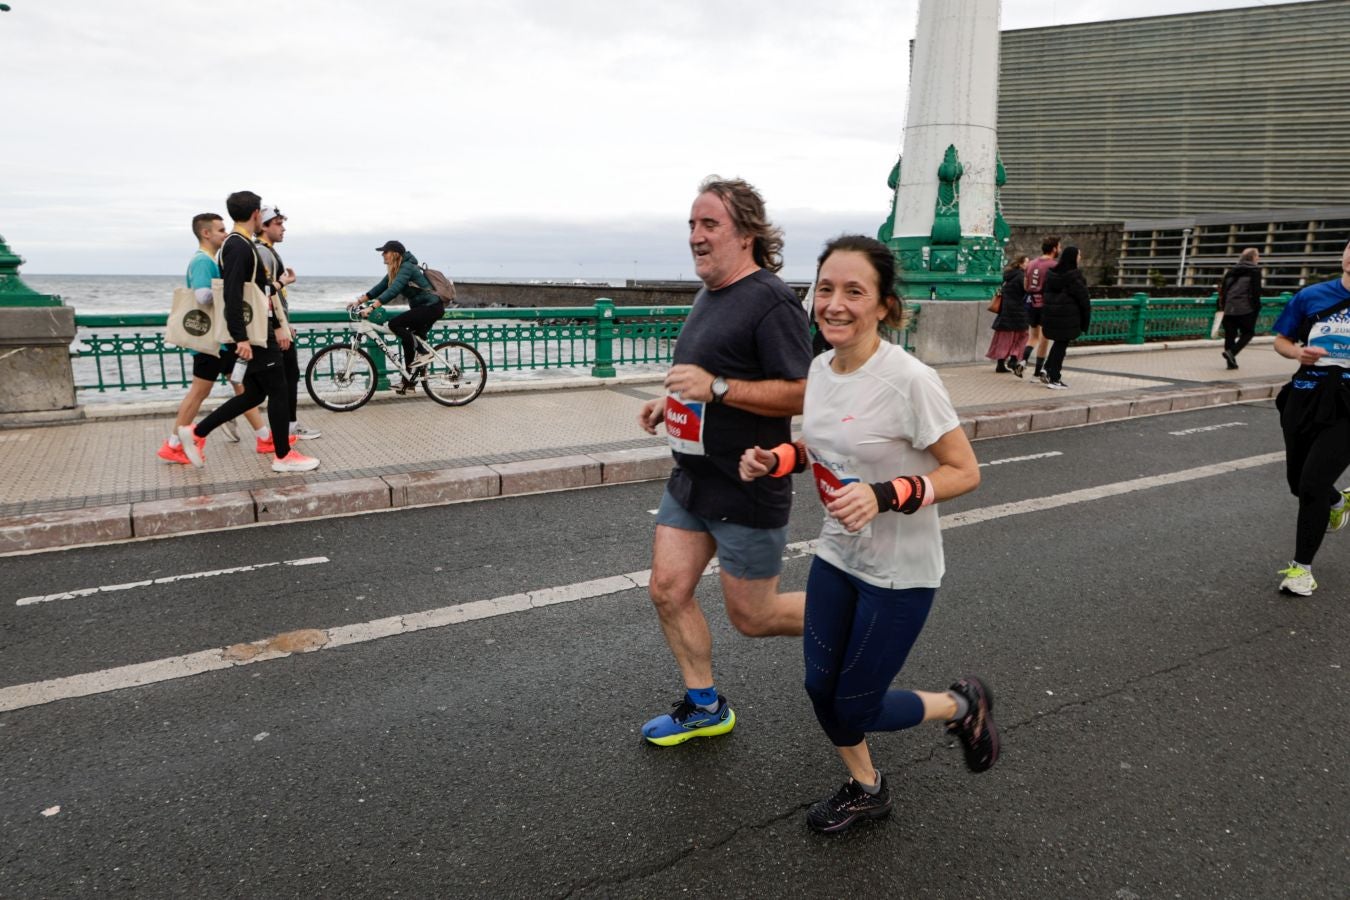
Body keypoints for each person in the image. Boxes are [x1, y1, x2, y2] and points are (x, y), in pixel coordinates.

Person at [738, 235, 996, 835]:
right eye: (825, 288)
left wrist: (885, 496)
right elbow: (827, 448)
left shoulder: (910, 379)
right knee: (817, 687)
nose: (835, 303)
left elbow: (965, 471)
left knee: (857, 704)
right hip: (837, 554)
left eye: (855, 291)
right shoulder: (821, 368)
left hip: (899, 574)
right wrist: (775, 459)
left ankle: (963, 705)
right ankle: (867, 788)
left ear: (883, 306)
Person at [635, 176, 812, 746]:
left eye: (710, 224)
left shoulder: (773, 301)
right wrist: (672, 401)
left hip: (746, 485)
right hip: (693, 479)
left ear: (748, 235)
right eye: (691, 224)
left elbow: (804, 391)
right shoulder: (709, 294)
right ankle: (705, 706)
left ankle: (862, 616)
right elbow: (709, 373)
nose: (695, 236)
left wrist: (714, 389)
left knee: (753, 617)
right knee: (667, 588)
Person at [179, 191, 318, 473]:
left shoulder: (239, 245)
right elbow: (232, 294)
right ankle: (283, 456)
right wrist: (240, 337)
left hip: (255, 331)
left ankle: (196, 433)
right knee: (278, 391)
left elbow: (254, 292)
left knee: (253, 395)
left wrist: (279, 285)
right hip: (253, 334)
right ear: (256, 214)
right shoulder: (239, 246)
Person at [1269, 239, 1350, 597]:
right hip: (1304, 398)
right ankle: (1338, 501)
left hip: (1348, 405)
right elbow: (1281, 340)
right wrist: (1299, 353)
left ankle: (1302, 570)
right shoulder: (1312, 296)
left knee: (1313, 484)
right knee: (1297, 483)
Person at [156, 213, 269, 464]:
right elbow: (203, 296)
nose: (225, 234)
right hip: (210, 345)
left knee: (243, 389)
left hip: (221, 341)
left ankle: (264, 436)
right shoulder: (203, 262)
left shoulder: (209, 260)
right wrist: (228, 288)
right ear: (206, 233)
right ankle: (173, 444)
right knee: (199, 393)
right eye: (220, 230)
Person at [255, 206, 321, 441]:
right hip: (274, 330)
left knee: (277, 381)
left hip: (278, 326)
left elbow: (274, 291)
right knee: (284, 380)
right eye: (278, 224)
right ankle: (288, 429)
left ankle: (287, 425)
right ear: (264, 226)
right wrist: (279, 326)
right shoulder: (263, 253)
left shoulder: (269, 252)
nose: (283, 228)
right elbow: (265, 293)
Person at [352, 240, 444, 393]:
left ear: (395, 254)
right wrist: (359, 301)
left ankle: (424, 353)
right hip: (423, 308)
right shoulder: (396, 270)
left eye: (385, 252)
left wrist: (372, 307)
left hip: (431, 307)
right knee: (407, 341)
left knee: (395, 324)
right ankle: (408, 383)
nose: (382, 255)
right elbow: (380, 287)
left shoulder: (406, 267)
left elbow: (393, 291)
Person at [1040, 245, 1091, 390]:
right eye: (1079, 255)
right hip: (1068, 318)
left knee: (1058, 343)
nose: (1080, 258)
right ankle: (1054, 378)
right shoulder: (1074, 277)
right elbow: (1084, 300)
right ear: (1073, 257)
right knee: (1061, 346)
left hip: (1052, 316)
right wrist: (1085, 322)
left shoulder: (1052, 275)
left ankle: (1047, 368)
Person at [1218, 247, 1263, 370]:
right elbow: (1255, 292)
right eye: (1257, 256)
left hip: (1229, 308)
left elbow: (1223, 290)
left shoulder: (1231, 271)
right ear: (1253, 258)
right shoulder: (1254, 271)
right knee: (1248, 333)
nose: (1258, 258)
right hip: (1245, 308)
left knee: (1230, 335)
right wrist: (1256, 307)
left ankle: (1230, 363)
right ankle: (1232, 353)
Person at [1023, 235, 1060, 379]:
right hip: (1046, 304)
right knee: (1044, 338)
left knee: (1033, 336)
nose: (1060, 249)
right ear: (1054, 248)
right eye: (1059, 246)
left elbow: (1026, 285)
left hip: (1032, 302)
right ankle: (1038, 370)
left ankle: (1023, 360)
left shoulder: (1031, 263)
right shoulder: (1054, 265)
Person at [987, 255, 1030, 376]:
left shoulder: (1007, 276)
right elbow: (1027, 292)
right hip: (1019, 312)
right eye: (1027, 262)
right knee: (1021, 336)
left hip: (1005, 311)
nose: (1029, 264)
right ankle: (1013, 359)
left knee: (1004, 338)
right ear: (1020, 264)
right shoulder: (1022, 277)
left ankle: (1000, 364)